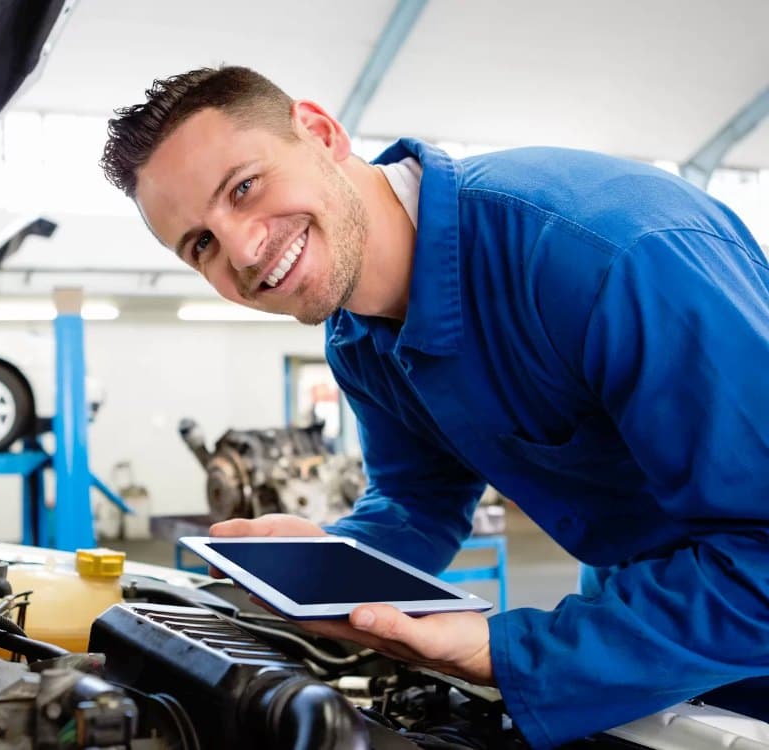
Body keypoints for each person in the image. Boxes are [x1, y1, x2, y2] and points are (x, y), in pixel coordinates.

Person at [99, 66, 769, 748]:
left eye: (244, 187)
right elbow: (419, 499)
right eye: (202, 244)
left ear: (322, 133)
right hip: (650, 639)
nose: (241, 250)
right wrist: (334, 562)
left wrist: (510, 653)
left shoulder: (605, 255)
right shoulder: (355, 337)